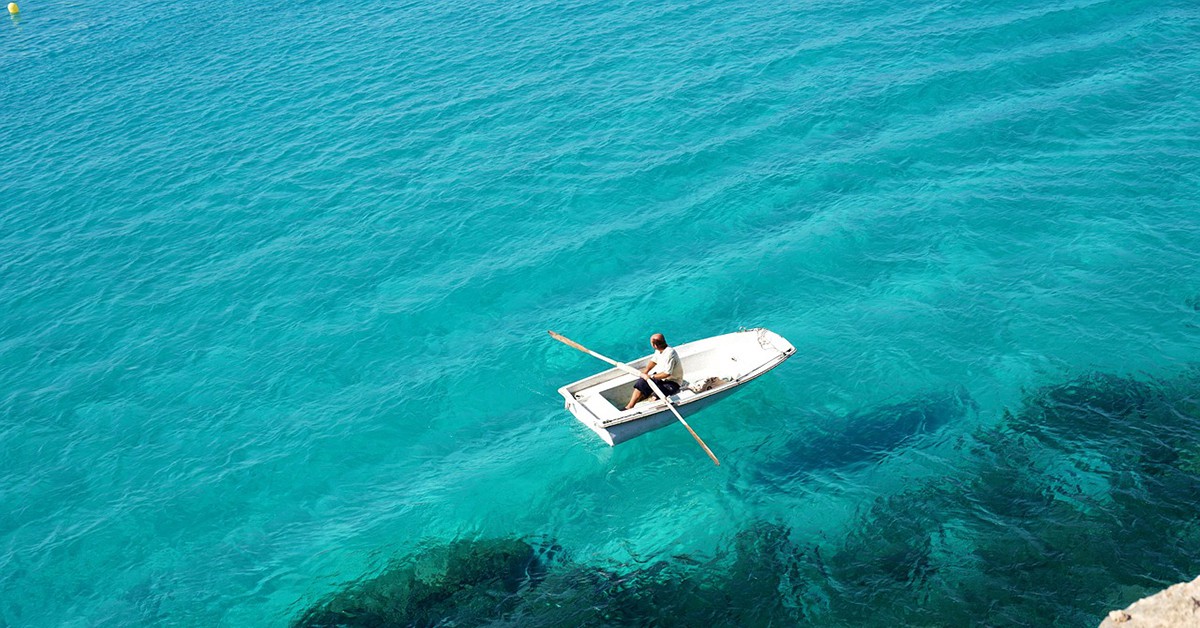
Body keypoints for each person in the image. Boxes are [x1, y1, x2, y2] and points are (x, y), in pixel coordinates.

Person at [625, 333, 683, 410]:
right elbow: (653, 361)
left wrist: (651, 376)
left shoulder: (670, 354)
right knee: (641, 383)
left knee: (656, 396)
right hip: (659, 377)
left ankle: (647, 408)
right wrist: (645, 372)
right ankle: (630, 406)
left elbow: (667, 374)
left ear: (655, 345)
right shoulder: (658, 350)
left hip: (672, 382)